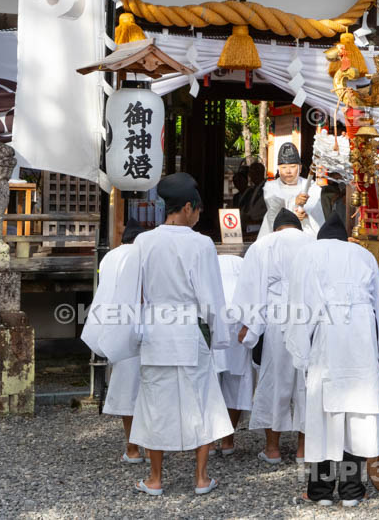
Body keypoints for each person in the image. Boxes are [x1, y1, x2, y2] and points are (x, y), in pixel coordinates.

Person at [127, 172, 233, 496]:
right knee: (202, 400)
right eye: (198, 210)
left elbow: (134, 292)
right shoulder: (201, 245)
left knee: (155, 403)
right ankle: (201, 478)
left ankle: (155, 479)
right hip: (189, 327)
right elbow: (212, 297)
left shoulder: (144, 241)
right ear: (187, 207)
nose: (198, 216)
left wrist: (133, 330)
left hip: (157, 327)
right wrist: (218, 335)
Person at [286, 212, 379, 507]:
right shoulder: (364, 255)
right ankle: (352, 491)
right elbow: (377, 303)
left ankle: (319, 492)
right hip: (360, 334)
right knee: (357, 410)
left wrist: (300, 351)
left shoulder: (308, 253)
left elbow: (298, 304)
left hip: (327, 333)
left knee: (322, 413)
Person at [233, 208, 311, 464]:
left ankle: (273, 449)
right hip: (308, 315)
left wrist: (248, 324)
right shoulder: (313, 243)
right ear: (296, 227)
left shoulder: (263, 245)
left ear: (276, 228)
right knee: (306, 382)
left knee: (274, 380)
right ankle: (303, 449)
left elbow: (249, 286)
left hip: (276, 316)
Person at [80, 219, 144, 464]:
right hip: (144, 324)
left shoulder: (110, 257)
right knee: (149, 389)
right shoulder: (142, 255)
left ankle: (132, 448)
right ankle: (153, 446)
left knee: (127, 387)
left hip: (117, 324)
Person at [214, 254, 252, 456]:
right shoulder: (240, 263)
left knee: (208, 382)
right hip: (237, 318)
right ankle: (227, 439)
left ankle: (209, 440)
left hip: (212, 317)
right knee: (235, 380)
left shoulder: (206, 259)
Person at [261, 143, 324, 237]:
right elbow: (274, 209)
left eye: (293, 166)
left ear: (300, 168)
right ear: (278, 169)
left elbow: (317, 213)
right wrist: (294, 202)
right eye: (283, 167)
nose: (288, 171)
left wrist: (305, 214)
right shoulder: (271, 187)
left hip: (305, 236)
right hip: (277, 236)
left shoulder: (312, 187)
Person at [242, 161, 269, 238]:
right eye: (250, 173)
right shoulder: (252, 189)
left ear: (260, 173)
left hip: (260, 225)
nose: (251, 176)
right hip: (250, 224)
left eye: (253, 173)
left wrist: (257, 220)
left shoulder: (267, 187)